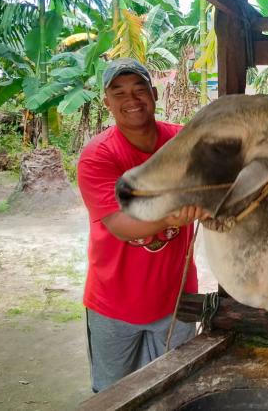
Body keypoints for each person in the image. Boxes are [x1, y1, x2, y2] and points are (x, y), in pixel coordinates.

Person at [77, 58, 206, 393]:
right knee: (112, 395)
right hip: (113, 305)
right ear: (107, 103)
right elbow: (121, 225)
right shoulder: (98, 156)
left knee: (175, 391)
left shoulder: (183, 142)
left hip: (175, 301)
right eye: (118, 92)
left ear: (154, 94)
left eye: (139, 89)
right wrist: (170, 217)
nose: (131, 99)